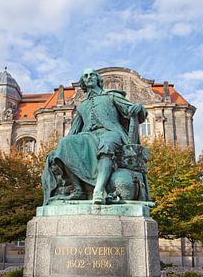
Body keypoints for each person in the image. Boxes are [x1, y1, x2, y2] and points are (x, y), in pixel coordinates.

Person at [42, 69, 147, 205]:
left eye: (92, 75)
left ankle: (98, 190)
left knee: (106, 144)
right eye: (85, 76)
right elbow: (73, 131)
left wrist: (139, 108)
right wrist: (58, 151)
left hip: (111, 132)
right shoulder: (81, 106)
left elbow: (131, 110)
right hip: (88, 136)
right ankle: (78, 189)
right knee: (65, 143)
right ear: (83, 82)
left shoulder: (111, 96)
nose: (89, 77)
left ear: (98, 79)